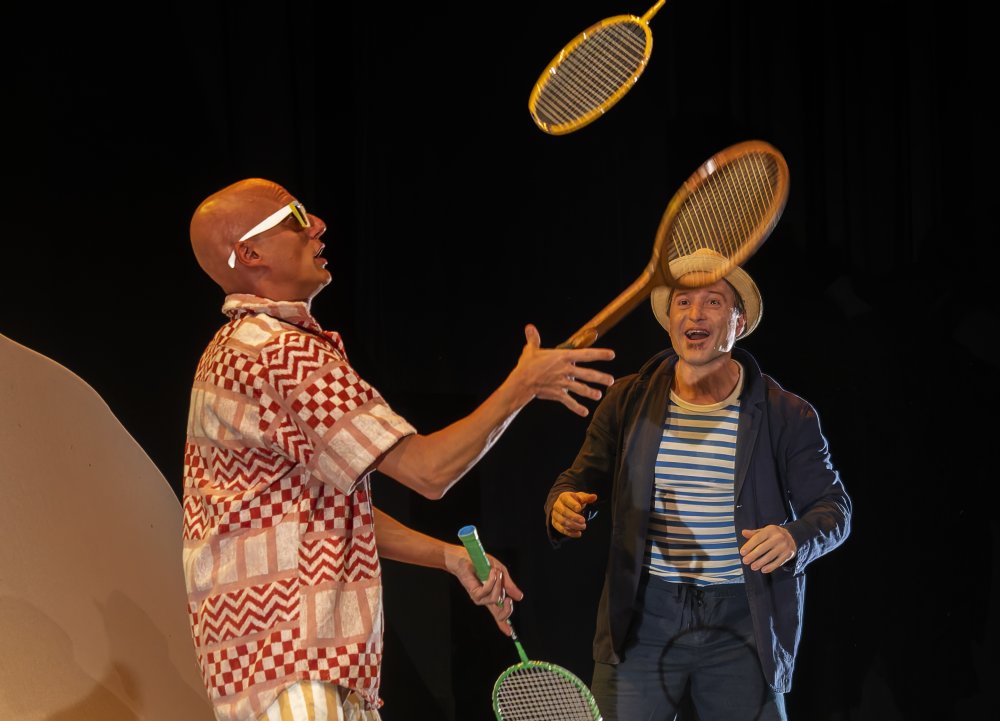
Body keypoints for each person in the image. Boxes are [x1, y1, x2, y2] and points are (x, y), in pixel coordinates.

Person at [182, 177, 616, 721]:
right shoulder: (278, 354)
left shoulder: (236, 349)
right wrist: (523, 385)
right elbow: (430, 472)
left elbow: (325, 513)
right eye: (295, 216)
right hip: (294, 663)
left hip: (282, 662)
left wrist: (449, 557)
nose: (318, 225)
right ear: (250, 254)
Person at [544, 248, 852, 721]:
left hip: (742, 618)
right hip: (646, 616)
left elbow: (834, 508)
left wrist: (793, 537)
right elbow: (577, 480)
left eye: (713, 302)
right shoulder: (629, 399)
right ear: (670, 321)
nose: (695, 314)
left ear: (739, 322)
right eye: (683, 302)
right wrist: (562, 506)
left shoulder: (785, 413)